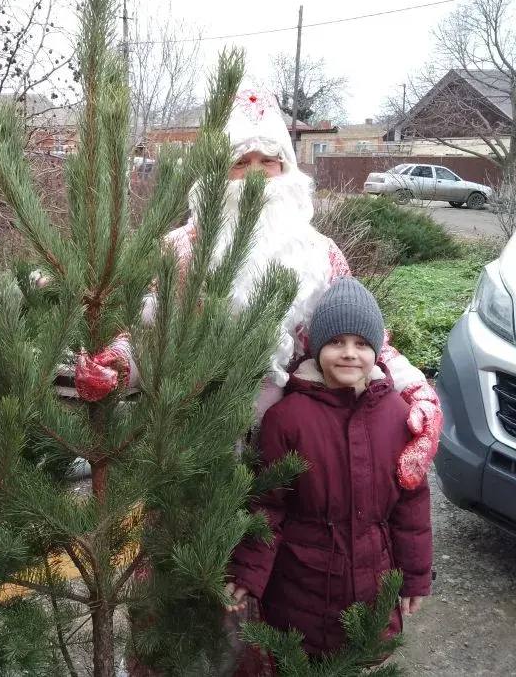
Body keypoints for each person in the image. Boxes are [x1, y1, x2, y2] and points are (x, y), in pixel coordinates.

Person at [145, 90, 443, 490]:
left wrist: (418, 392)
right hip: (191, 445)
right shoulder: (180, 249)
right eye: (240, 162)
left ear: (285, 168)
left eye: (267, 161)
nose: (255, 175)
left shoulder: (320, 254)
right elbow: (144, 331)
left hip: (292, 449)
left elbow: (364, 338)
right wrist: (116, 362)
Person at [224, 278, 433, 662]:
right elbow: (267, 505)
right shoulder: (286, 419)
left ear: (376, 351)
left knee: (360, 660)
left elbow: (411, 506)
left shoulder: (397, 416)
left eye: (362, 344)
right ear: (317, 348)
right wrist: (249, 569)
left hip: (374, 585)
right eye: (336, 342)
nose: (349, 353)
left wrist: (415, 576)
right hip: (301, 588)